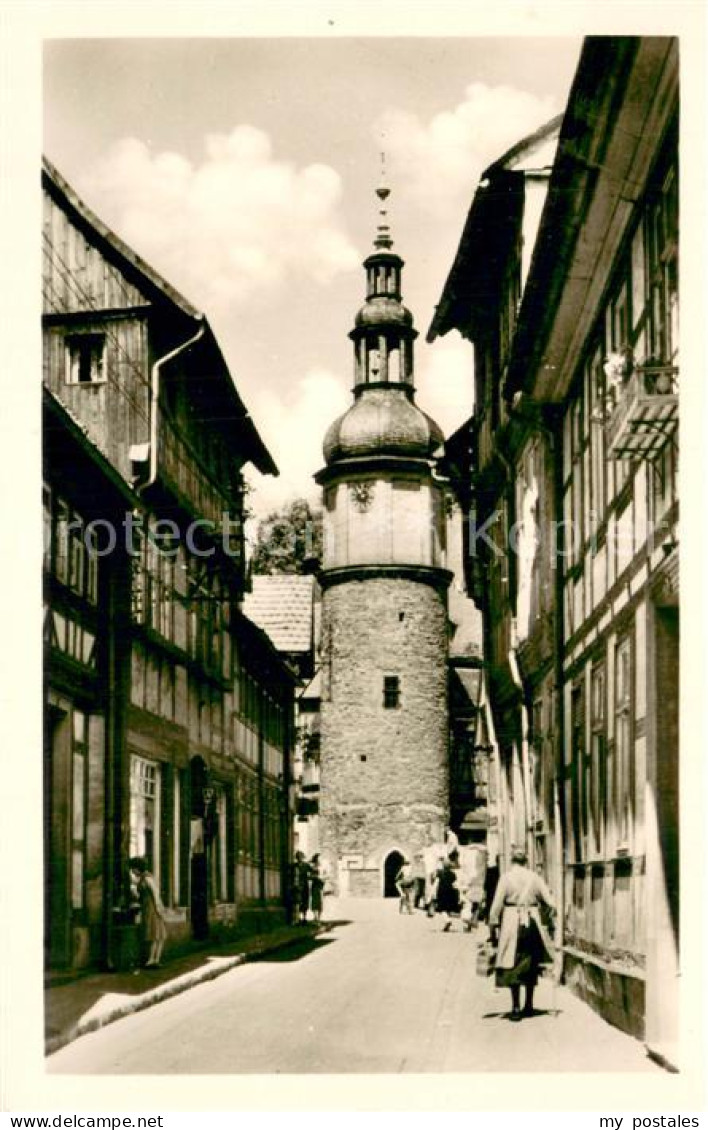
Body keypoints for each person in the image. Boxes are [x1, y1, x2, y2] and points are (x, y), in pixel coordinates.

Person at [488, 847, 555, 1021]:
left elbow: (496, 905)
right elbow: (550, 901)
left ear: (512, 860)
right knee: (530, 964)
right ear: (526, 860)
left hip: (511, 923)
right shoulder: (535, 878)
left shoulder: (506, 878)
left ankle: (516, 1007)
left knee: (512, 963)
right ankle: (529, 1005)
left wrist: (493, 924)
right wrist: (545, 915)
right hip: (531, 923)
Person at [130, 856, 168, 968]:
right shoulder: (141, 879)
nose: (132, 871)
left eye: (133, 869)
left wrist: (159, 909)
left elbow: (156, 894)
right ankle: (153, 960)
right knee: (155, 935)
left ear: (138, 868)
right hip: (147, 909)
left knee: (157, 935)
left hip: (152, 909)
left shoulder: (147, 878)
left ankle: (153, 960)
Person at [435, 852, 462, 931]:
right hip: (451, 891)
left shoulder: (440, 873)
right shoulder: (453, 874)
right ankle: (447, 922)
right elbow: (455, 883)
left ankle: (447, 921)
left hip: (441, 891)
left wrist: (432, 893)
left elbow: (436, 882)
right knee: (448, 908)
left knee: (442, 909)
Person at [292, 851, 311, 923]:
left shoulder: (306, 865)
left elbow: (312, 872)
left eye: (301, 857)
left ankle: (304, 918)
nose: (299, 858)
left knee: (305, 901)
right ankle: (298, 918)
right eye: (298, 857)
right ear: (296, 858)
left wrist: (309, 878)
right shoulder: (294, 866)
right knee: (297, 902)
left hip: (305, 886)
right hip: (296, 886)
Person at [309, 853, 326, 923]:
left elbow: (326, 875)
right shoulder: (313, 866)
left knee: (320, 901)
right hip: (314, 885)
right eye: (319, 858)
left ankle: (318, 917)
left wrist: (323, 878)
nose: (320, 860)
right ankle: (315, 916)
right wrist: (314, 877)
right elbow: (310, 876)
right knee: (314, 901)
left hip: (320, 884)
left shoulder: (322, 867)